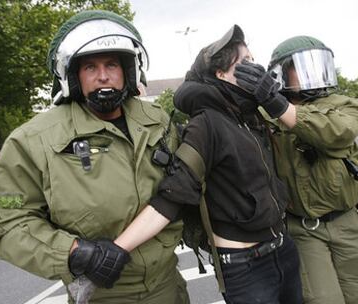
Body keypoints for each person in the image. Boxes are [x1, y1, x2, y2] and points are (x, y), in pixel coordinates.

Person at [0, 10, 189, 304]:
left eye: (111, 64)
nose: (103, 75)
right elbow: (5, 222)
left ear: (127, 70)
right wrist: (73, 252)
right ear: (72, 75)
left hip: (168, 286)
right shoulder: (33, 140)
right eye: (90, 67)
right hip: (103, 294)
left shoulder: (157, 120)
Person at [112, 25, 303, 304]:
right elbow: (173, 194)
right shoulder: (206, 124)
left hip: (283, 251)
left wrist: (275, 99)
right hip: (247, 266)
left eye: (253, 60)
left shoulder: (252, 117)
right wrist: (116, 250)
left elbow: (312, 129)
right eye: (245, 62)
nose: (255, 67)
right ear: (222, 74)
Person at [233, 36, 358, 304]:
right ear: (280, 74)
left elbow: (335, 132)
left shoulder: (343, 105)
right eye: (301, 66)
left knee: (355, 294)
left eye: (318, 64)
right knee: (323, 299)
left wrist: (276, 104)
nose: (313, 73)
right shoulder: (265, 114)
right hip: (305, 227)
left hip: (346, 222)